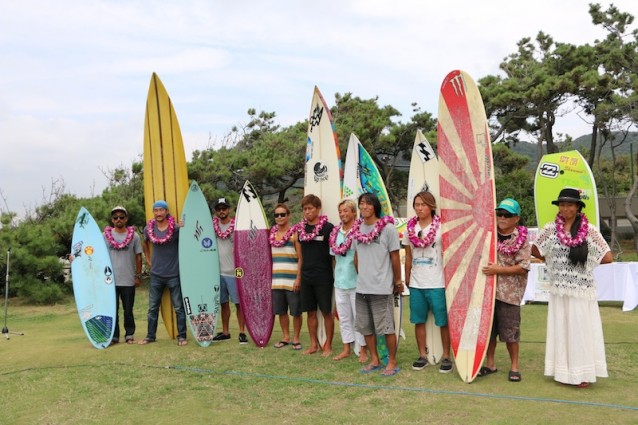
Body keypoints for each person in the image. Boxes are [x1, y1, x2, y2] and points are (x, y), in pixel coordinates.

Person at [531, 188, 613, 388]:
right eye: (562, 204)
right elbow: (535, 249)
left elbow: (607, 256)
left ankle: (582, 374)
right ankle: (562, 372)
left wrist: (584, 266)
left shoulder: (589, 230)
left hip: (580, 291)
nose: (565, 208)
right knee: (561, 330)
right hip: (560, 289)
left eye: (570, 204)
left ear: (577, 207)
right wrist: (554, 261)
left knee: (580, 332)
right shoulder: (550, 229)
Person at [479, 198, 531, 382]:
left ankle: (514, 367)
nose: (501, 217)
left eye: (507, 215)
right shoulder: (488, 234)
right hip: (487, 292)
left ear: (516, 218)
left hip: (509, 295)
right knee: (488, 332)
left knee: (511, 334)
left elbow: (524, 266)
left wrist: (498, 270)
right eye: (499, 214)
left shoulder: (522, 239)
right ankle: (489, 364)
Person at [353, 193, 403, 377]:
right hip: (362, 288)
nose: (364, 207)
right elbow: (356, 258)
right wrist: (363, 276)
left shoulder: (388, 229)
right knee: (366, 327)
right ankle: (374, 359)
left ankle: (391, 361)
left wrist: (397, 281)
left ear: (375, 206)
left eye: (368, 204)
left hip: (381, 288)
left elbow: (395, 257)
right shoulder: (357, 230)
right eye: (361, 204)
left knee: (386, 327)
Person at [403, 191, 453, 373]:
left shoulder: (442, 227)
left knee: (443, 321)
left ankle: (446, 356)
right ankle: (422, 355)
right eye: (416, 204)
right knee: (418, 321)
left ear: (431, 206)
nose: (419, 208)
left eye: (423, 204)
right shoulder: (410, 228)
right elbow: (408, 255)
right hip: (417, 282)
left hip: (437, 281)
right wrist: (407, 277)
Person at [139, 200, 188, 346]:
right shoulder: (149, 228)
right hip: (156, 275)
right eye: (156, 210)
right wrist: (148, 258)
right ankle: (150, 336)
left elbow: (188, 241)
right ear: (153, 212)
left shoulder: (176, 229)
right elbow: (145, 243)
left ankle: (182, 336)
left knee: (179, 307)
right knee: (152, 308)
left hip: (174, 274)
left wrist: (184, 227)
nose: (159, 213)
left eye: (162, 210)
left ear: (167, 212)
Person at [329, 199, 368, 362]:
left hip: (357, 282)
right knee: (344, 318)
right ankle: (346, 348)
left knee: (360, 318)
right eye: (340, 211)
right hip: (340, 282)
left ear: (354, 212)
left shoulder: (360, 230)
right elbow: (334, 258)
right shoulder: (335, 233)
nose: (342, 214)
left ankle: (364, 351)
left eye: (346, 210)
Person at [297, 194, 335, 357]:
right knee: (310, 312)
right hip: (306, 276)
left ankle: (328, 345)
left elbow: (334, 256)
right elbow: (300, 257)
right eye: (305, 209)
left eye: (310, 208)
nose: (307, 212)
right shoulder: (300, 229)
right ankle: (314, 344)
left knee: (327, 311)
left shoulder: (328, 228)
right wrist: (299, 277)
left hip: (324, 276)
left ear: (318, 209)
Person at [103, 206, 143, 345]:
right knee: (112, 310)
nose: (118, 219)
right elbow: (95, 253)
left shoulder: (135, 236)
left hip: (128, 279)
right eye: (115, 217)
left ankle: (129, 334)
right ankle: (114, 336)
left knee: (128, 310)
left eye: (121, 217)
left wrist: (138, 276)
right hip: (110, 281)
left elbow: (139, 257)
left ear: (126, 219)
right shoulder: (105, 236)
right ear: (112, 220)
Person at [211, 197, 248, 344]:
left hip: (235, 272)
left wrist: (241, 274)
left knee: (239, 303)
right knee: (223, 303)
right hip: (219, 273)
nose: (221, 211)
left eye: (224, 208)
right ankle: (225, 332)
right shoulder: (212, 226)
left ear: (229, 209)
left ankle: (242, 332)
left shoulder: (237, 225)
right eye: (219, 209)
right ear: (216, 211)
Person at [269, 203, 303, 350]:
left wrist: (298, 278)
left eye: (282, 214)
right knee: (281, 311)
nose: (279, 217)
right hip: (277, 280)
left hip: (292, 280)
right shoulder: (271, 235)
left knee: (295, 311)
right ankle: (285, 337)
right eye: (276, 215)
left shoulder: (295, 233)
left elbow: (301, 258)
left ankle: (296, 338)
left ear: (288, 215)